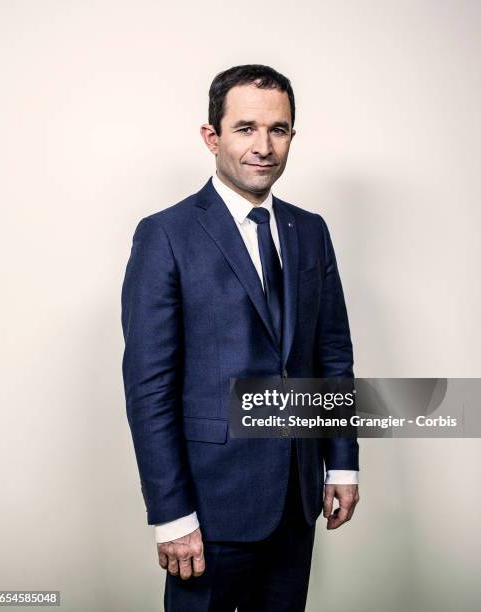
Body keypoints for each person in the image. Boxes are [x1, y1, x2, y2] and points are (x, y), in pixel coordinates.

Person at [121, 64, 360, 612]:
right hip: (207, 509)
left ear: (292, 137)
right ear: (213, 137)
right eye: (246, 128)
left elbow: (332, 357)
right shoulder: (165, 234)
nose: (264, 146)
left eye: (278, 130)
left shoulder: (311, 230)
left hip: (297, 499)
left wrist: (341, 462)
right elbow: (149, 389)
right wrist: (172, 515)